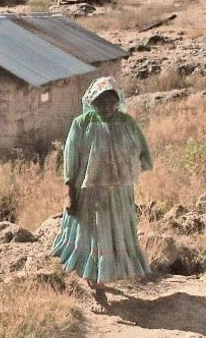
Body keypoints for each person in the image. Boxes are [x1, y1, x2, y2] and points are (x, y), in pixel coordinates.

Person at [50, 77, 153, 312]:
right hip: (88, 194)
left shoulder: (127, 123)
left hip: (118, 195)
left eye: (110, 102)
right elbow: (71, 159)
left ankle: (102, 280)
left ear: (118, 101)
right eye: (100, 102)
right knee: (94, 239)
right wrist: (69, 192)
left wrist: (127, 167)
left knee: (111, 238)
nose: (106, 107)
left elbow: (143, 153)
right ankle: (98, 291)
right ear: (91, 102)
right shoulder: (82, 124)